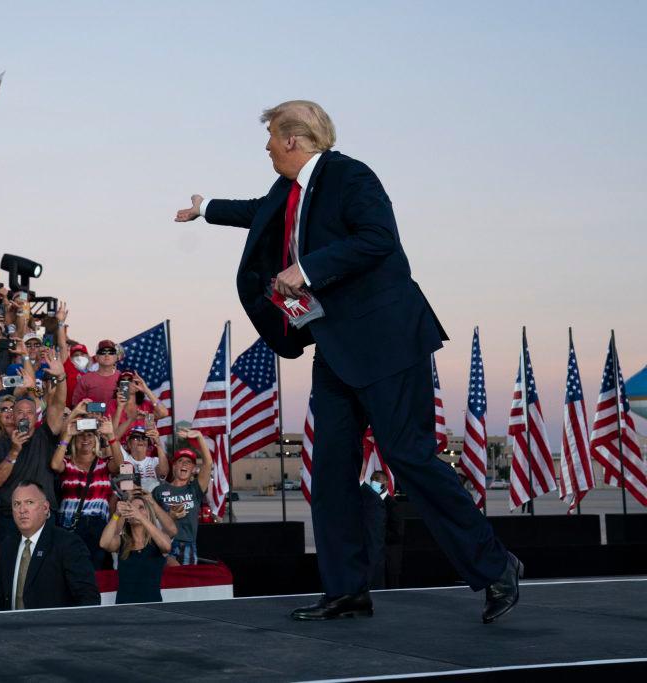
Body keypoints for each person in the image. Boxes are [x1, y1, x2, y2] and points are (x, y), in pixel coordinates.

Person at [175, 99, 518, 623]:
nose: (265, 148)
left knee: (410, 458)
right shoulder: (287, 191)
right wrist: (205, 209)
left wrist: (306, 268)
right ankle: (347, 589)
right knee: (329, 472)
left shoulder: (350, 175)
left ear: (293, 140)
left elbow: (378, 240)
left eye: (270, 138)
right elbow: (255, 213)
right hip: (334, 349)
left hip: (386, 343)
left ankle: (495, 568)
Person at [0, 353, 68, 540]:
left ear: (36, 416)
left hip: (44, 514)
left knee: (46, 568)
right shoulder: (1, 446)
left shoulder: (45, 435)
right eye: (20, 412)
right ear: (13, 417)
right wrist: (14, 451)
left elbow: (58, 405)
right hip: (12, 516)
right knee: (10, 568)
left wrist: (62, 377)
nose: (24, 416)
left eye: (29, 412)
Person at [0, 481, 100, 611]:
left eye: (29, 502)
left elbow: (88, 599)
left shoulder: (68, 544)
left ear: (45, 508)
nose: (22, 510)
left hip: (55, 630)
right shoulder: (7, 546)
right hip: (12, 629)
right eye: (16, 504)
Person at [51, 402, 120, 568]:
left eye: (90, 435)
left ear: (96, 439)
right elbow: (54, 465)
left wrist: (111, 435)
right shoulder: (67, 464)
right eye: (81, 435)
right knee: (72, 571)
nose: (85, 439)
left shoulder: (103, 464)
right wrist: (67, 435)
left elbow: (119, 466)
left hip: (98, 526)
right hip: (70, 526)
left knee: (98, 573)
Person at [152, 428, 212, 566]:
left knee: (187, 585)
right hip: (164, 542)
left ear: (193, 469)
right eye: (180, 460)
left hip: (188, 545)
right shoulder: (159, 490)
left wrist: (199, 437)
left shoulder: (195, 489)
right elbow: (150, 518)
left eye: (189, 462)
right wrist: (169, 516)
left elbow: (208, 463)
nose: (184, 463)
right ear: (173, 466)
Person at [100, 493, 173, 604]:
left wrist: (141, 517)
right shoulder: (122, 541)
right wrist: (117, 514)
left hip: (154, 608)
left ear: (149, 513)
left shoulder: (157, 540)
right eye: (132, 508)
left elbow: (167, 547)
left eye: (141, 508)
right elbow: (104, 543)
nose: (135, 511)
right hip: (124, 608)